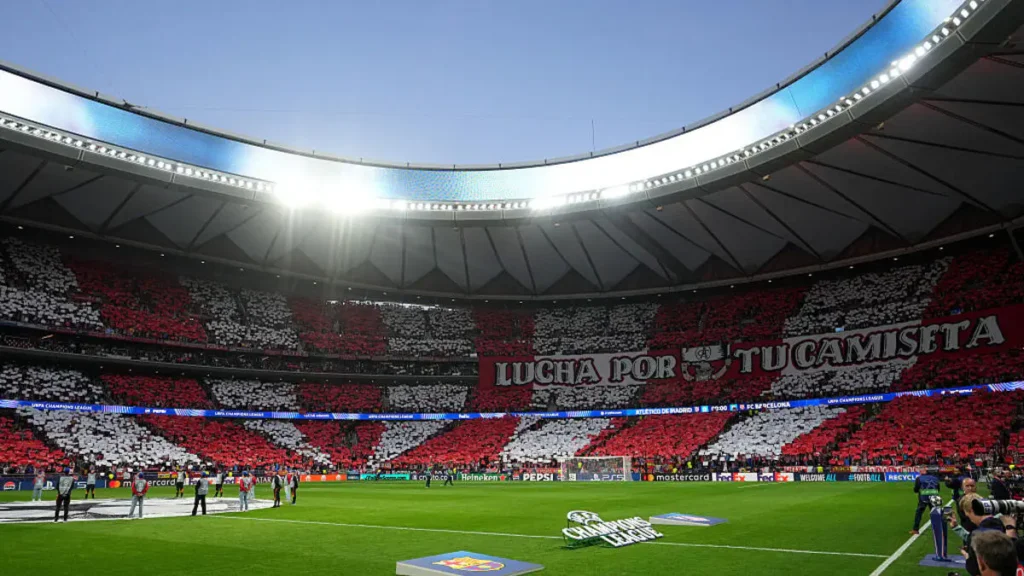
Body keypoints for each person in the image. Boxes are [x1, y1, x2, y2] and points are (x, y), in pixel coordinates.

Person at [955, 493, 1018, 576]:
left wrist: (968, 557)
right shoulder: (1005, 524)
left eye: (968, 515)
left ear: (972, 510)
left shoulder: (977, 536)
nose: (970, 520)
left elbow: (975, 569)